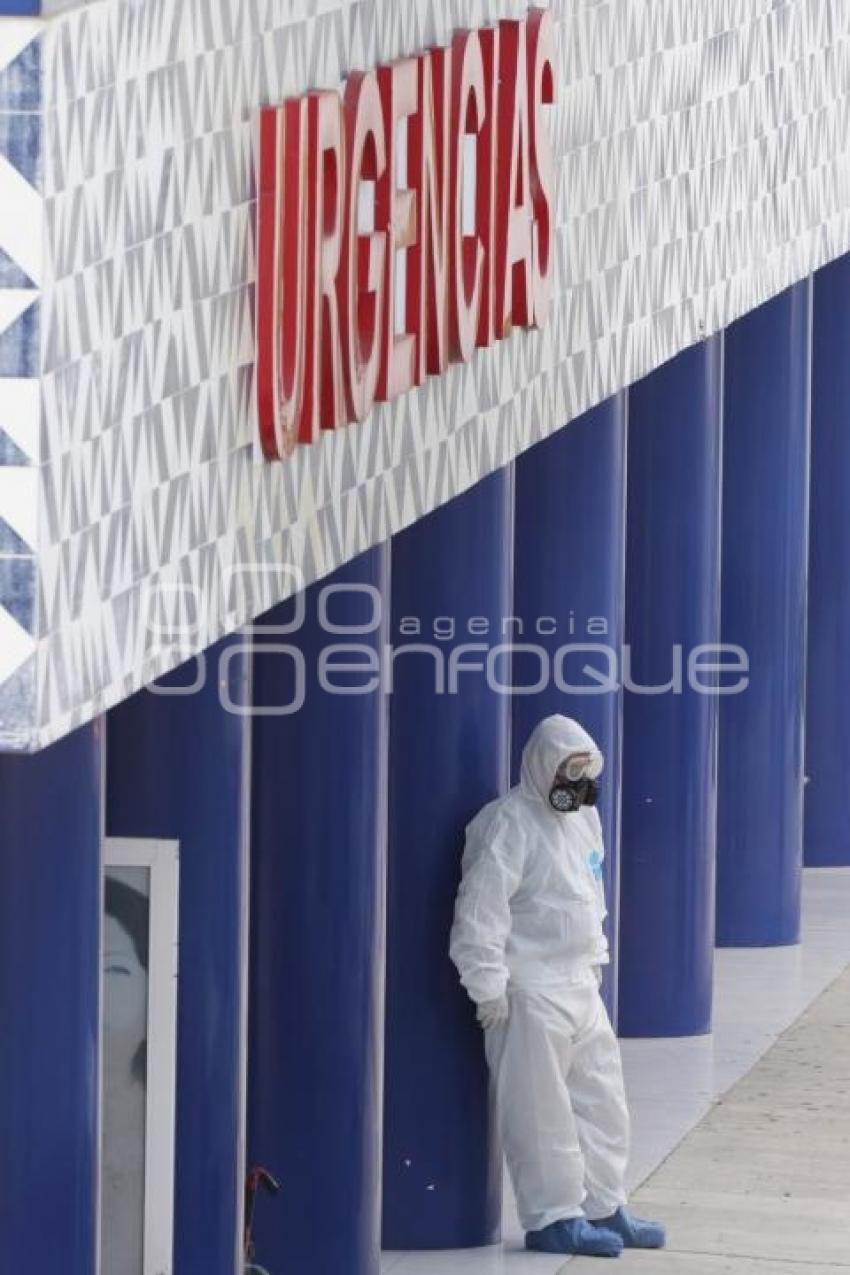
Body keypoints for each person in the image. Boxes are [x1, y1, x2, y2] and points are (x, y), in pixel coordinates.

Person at [450, 714, 667, 1258]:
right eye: (568, 771)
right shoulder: (505, 824)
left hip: (578, 986)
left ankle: (604, 1205)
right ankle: (553, 1218)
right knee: (540, 1112)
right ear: (542, 766)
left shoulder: (582, 822)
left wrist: (595, 962)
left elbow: (589, 895)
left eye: (584, 772)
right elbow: (480, 910)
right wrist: (488, 987)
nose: (576, 785)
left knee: (604, 1100)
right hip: (528, 992)